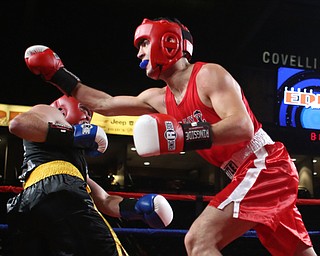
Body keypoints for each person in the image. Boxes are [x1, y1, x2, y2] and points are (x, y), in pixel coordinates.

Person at [23, 17, 317, 256]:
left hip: (264, 165)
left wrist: (183, 135)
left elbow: (242, 127)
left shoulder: (209, 75)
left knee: (198, 242)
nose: (138, 53)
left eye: (143, 43)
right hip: (244, 172)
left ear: (169, 42)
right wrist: (57, 74)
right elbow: (104, 105)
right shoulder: (158, 98)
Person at [6, 95, 173, 256]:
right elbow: (17, 124)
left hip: (29, 205)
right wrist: (71, 134)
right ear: (62, 108)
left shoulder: (74, 166)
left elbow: (104, 200)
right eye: (84, 109)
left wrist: (137, 208)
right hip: (61, 194)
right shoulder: (51, 112)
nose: (88, 116)